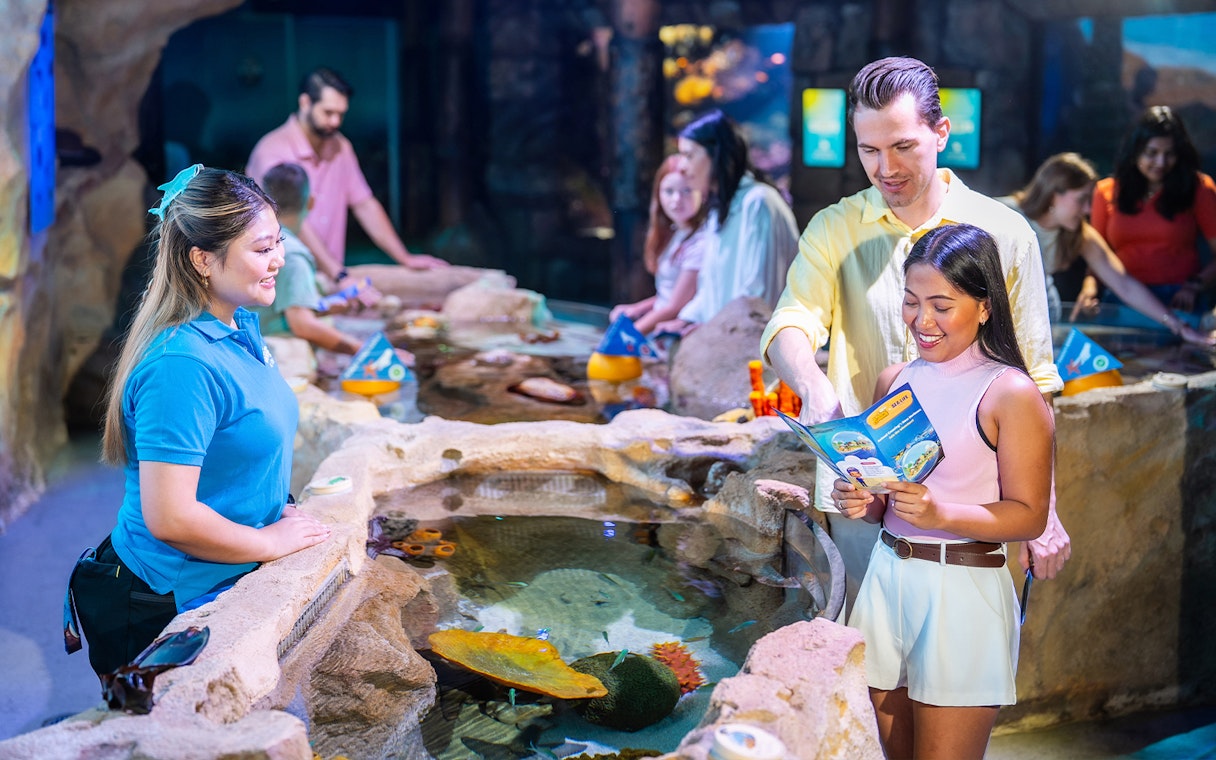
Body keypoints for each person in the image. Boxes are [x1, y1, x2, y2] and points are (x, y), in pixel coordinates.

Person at [760, 58, 1069, 612]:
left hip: (976, 508)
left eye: (903, 146)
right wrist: (812, 383)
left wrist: (1044, 511)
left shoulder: (1005, 231)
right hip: (865, 497)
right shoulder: (835, 226)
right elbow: (791, 321)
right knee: (866, 667)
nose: (885, 168)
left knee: (960, 675)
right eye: (869, 151)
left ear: (941, 132)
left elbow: (1034, 379)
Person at [71, 165, 331, 677]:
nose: (279, 259)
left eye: (278, 242)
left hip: (227, 576)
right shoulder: (181, 366)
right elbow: (170, 517)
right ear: (203, 259)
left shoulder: (239, 327)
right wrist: (269, 543)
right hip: (166, 600)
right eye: (261, 249)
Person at [833, 223, 1054, 759]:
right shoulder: (894, 380)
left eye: (941, 305)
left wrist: (939, 512)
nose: (922, 322)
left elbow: (1028, 517)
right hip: (888, 580)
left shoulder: (1010, 392)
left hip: (964, 592)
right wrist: (866, 503)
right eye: (911, 303)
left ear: (984, 307)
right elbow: (889, 497)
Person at [245, 67, 447, 282]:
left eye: (341, 114)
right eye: (328, 113)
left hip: (329, 279)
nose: (335, 122)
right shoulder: (271, 151)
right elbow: (291, 219)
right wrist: (338, 273)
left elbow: (364, 204)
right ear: (305, 102)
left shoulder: (341, 147)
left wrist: (404, 258)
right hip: (282, 278)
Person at [1002, 152, 1214, 346]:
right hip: (1000, 317)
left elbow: (1124, 284)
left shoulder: (1079, 234)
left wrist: (1179, 326)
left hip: (1043, 319)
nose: (1087, 210)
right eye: (1082, 199)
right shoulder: (1004, 214)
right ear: (1054, 192)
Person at [654, 110, 799, 334]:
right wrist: (685, 320)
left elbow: (758, 298)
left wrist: (710, 329)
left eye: (689, 155)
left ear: (716, 155)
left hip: (756, 350)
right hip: (724, 339)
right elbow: (711, 290)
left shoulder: (758, 203)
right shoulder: (719, 211)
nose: (681, 166)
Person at [250, 162, 391, 356]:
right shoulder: (292, 255)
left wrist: (322, 306)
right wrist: (371, 352)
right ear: (311, 202)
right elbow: (302, 325)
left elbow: (271, 308)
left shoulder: (255, 239)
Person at [1091, 106, 1216, 313]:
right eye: (1152, 153)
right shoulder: (1106, 191)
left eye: (1170, 154)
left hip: (1179, 298)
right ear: (1135, 152)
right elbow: (1096, 258)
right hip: (1121, 297)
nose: (1161, 162)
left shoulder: (1199, 187)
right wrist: (1090, 289)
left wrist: (1195, 285)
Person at [609, 155, 708, 334]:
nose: (676, 200)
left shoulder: (701, 242)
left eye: (687, 190)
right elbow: (667, 296)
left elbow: (675, 306)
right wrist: (637, 308)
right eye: (669, 191)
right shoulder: (675, 233)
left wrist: (626, 336)